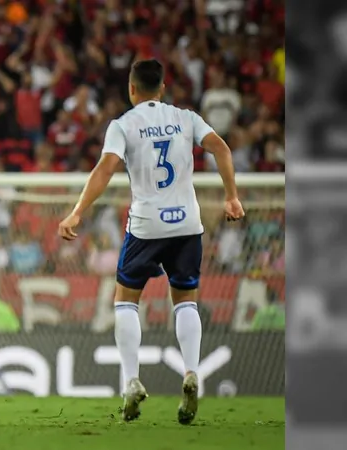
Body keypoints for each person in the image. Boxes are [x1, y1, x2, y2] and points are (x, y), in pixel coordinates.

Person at [57, 59, 245, 425]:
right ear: (161, 88)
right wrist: (231, 196)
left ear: (131, 89)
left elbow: (105, 168)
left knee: (125, 301)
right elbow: (222, 148)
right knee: (185, 300)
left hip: (146, 227)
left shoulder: (123, 125)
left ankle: (131, 381)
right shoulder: (186, 117)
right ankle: (191, 372)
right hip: (188, 224)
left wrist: (78, 211)